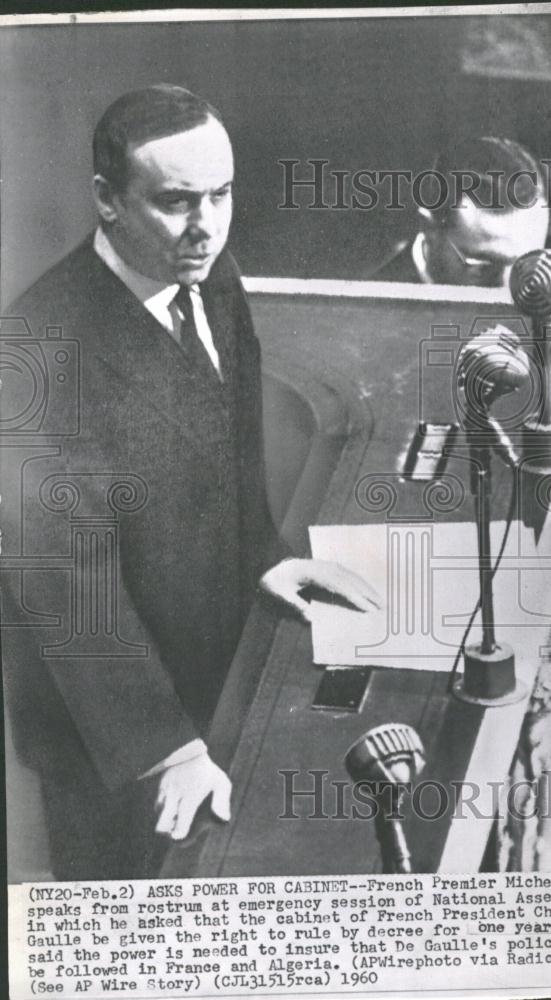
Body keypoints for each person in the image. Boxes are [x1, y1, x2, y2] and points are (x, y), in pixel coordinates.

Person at [0, 84, 379, 879]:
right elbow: (64, 586)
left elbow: (224, 448)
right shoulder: (34, 353)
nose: (206, 225)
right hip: (112, 733)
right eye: (176, 201)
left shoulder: (208, 270)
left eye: (221, 195)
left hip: (213, 666)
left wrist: (263, 556)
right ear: (107, 200)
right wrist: (165, 750)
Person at [372, 136, 549, 287]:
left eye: (528, 268)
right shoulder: (366, 311)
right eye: (485, 267)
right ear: (429, 230)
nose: (507, 290)